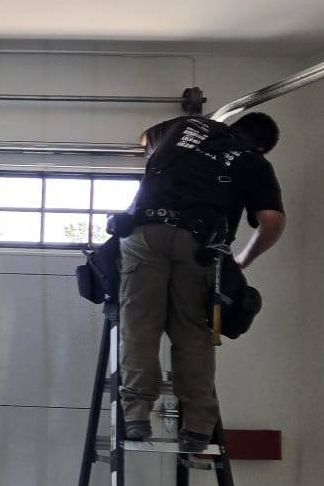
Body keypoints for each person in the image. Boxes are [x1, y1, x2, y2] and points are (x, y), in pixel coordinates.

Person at [116, 111, 284, 449]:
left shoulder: (185, 126)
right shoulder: (253, 163)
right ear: (263, 147)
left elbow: (145, 139)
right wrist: (241, 262)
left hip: (146, 231)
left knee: (139, 326)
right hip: (200, 246)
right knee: (192, 332)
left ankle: (135, 416)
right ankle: (196, 426)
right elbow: (272, 221)